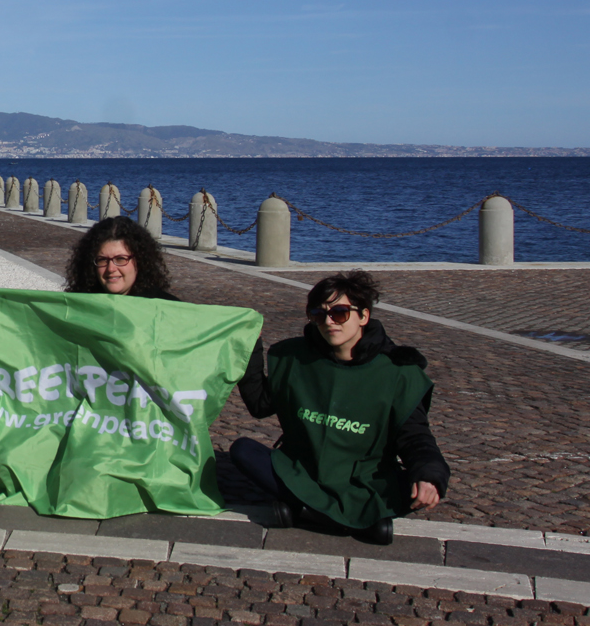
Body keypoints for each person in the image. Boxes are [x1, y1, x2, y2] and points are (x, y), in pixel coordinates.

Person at [231, 270, 449, 545]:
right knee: (243, 451)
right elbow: (260, 405)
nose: (329, 321)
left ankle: (301, 511)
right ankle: (358, 523)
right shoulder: (296, 358)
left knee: (415, 485)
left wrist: (429, 476)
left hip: (364, 478)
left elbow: (416, 436)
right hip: (305, 471)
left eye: (340, 313)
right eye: (319, 314)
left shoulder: (397, 373)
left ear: (364, 317)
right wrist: (251, 346)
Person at [63, 216, 178, 300]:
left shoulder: (167, 309)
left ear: (139, 261)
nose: (111, 269)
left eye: (121, 259)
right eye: (102, 260)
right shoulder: (76, 308)